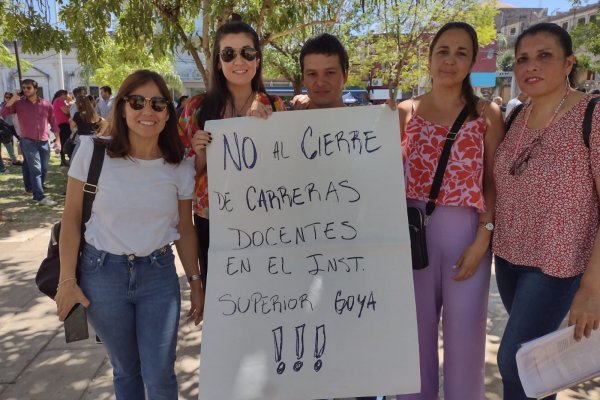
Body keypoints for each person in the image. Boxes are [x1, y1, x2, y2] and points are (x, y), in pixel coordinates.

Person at [55, 69, 204, 399]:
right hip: (101, 275)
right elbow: (71, 219)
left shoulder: (179, 166)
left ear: (168, 113)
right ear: (121, 107)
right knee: (125, 370)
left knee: (160, 375)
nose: (147, 111)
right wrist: (67, 280)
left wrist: (195, 281)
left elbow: (184, 229)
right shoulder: (93, 153)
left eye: (158, 103)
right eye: (137, 102)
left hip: (158, 277)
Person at [395, 22, 504, 400]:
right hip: (412, 234)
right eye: (443, 51)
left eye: (461, 53)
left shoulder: (485, 113)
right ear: (430, 57)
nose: (450, 60)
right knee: (412, 337)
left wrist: (483, 237)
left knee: (465, 339)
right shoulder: (403, 112)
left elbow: (493, 181)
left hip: (466, 234)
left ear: (473, 61)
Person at [493, 22, 600, 400]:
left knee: (515, 363)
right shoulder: (515, 116)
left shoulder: (593, 114)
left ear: (568, 63)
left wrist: (592, 289)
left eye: (544, 56)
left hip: (559, 265)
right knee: (539, 365)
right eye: (523, 59)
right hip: (508, 260)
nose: (531, 67)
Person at [295, 32, 383, 400]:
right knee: (313, 350)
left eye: (330, 72)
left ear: (345, 75)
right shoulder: (283, 129)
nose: (320, 82)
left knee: (359, 352)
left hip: (359, 264)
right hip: (298, 266)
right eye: (312, 73)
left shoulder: (372, 128)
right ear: (302, 77)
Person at [179, 14, 286, 290]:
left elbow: (286, 167)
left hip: (264, 222)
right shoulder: (196, 108)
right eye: (229, 54)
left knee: (267, 297)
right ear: (218, 61)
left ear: (258, 59)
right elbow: (181, 180)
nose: (239, 61)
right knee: (223, 302)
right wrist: (201, 154)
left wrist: (269, 131)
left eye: (247, 53)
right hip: (213, 224)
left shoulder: (275, 107)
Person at [0, 79, 60, 206]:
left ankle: (33, 188)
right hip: (28, 141)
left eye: (28, 87)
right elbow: (3, 112)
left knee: (43, 169)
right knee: (36, 169)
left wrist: (58, 140)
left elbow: (54, 123)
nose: (26, 90)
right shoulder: (19, 104)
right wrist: (15, 97)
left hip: (44, 141)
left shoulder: (46, 104)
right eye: (24, 88)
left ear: (35, 89)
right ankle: (39, 196)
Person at [0, 92, 23, 166]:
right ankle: (13, 160)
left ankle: (23, 157)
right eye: (6, 97)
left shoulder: (16, 105)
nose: (8, 99)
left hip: (15, 127)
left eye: (10, 97)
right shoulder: (3, 106)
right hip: (6, 127)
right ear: (4, 98)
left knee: (22, 141)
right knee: (9, 144)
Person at [52, 90, 74, 166]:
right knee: (67, 141)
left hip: (59, 124)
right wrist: (71, 105)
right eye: (67, 95)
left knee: (62, 141)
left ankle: (63, 160)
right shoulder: (59, 100)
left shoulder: (55, 101)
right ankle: (69, 159)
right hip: (63, 124)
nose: (67, 96)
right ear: (63, 94)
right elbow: (66, 111)